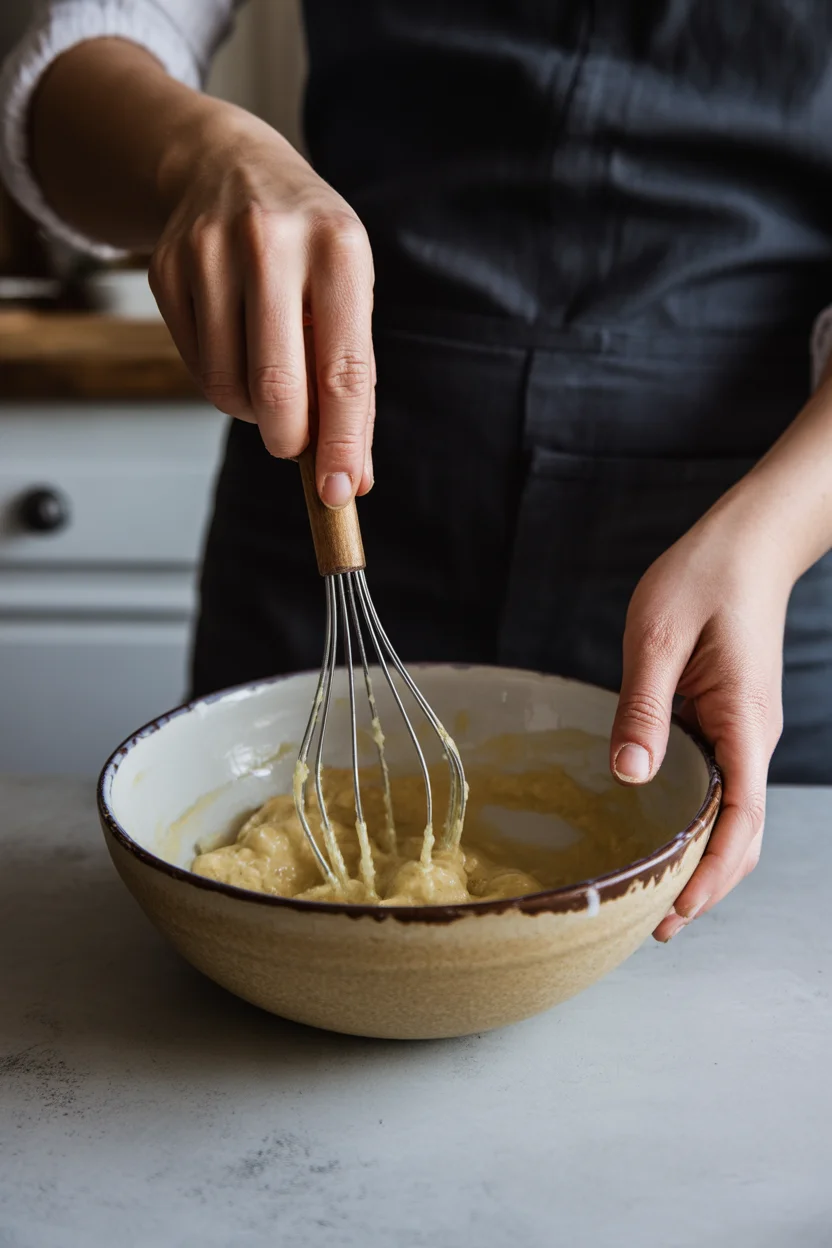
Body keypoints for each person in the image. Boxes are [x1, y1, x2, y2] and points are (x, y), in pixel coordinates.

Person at [3, 2, 832, 943]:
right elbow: (74, 66)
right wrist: (196, 153)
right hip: (338, 471)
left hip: (750, 545)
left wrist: (773, 537)